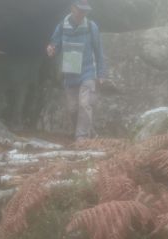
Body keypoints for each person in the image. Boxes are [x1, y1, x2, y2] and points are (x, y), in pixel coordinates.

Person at [46, 0, 105, 140]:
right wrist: (51, 49)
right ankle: (88, 132)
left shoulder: (91, 27)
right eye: (80, 9)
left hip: (87, 71)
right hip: (70, 71)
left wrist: (101, 73)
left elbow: (99, 51)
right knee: (72, 108)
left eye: (85, 10)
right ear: (72, 8)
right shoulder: (62, 26)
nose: (83, 13)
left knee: (85, 104)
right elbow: (54, 44)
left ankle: (82, 138)